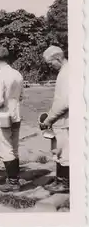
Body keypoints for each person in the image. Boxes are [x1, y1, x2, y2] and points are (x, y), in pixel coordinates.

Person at [0, 47, 24, 192]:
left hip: (2, 115)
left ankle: (13, 182)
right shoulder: (18, 74)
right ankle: (14, 178)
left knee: (4, 148)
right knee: (14, 148)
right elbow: (21, 96)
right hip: (15, 113)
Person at [40, 46, 69, 194]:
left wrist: (49, 119)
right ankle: (60, 180)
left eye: (50, 63)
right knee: (60, 151)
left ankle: (65, 184)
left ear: (58, 58)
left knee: (64, 152)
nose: (50, 66)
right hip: (62, 120)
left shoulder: (66, 74)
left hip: (64, 121)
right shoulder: (65, 71)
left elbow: (63, 102)